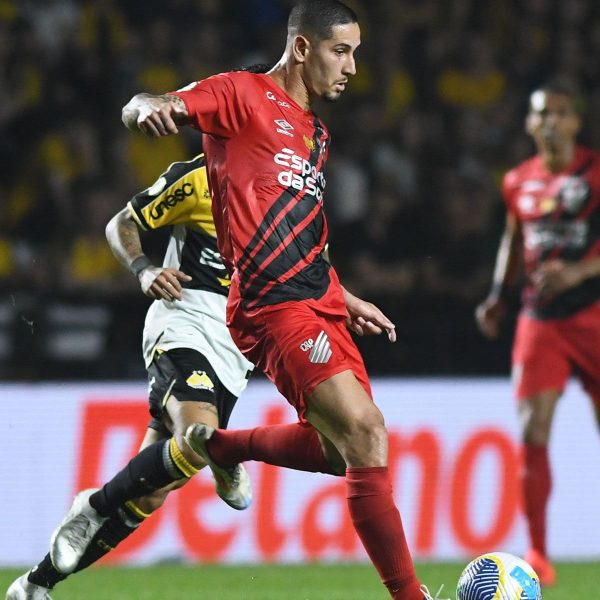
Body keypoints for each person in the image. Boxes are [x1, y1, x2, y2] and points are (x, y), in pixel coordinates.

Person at [49, 2, 446, 599]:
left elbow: (303, 232)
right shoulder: (242, 94)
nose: (354, 68)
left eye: (357, 53)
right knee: (366, 433)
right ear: (305, 48)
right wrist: (151, 110)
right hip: (270, 304)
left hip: (319, 301)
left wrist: (344, 294)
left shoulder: (315, 134)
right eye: (343, 51)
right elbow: (147, 104)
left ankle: (224, 446)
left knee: (346, 455)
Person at [6, 150, 257, 600]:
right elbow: (122, 223)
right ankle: (105, 500)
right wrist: (145, 269)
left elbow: (311, 272)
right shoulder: (199, 178)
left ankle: (36, 584)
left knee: (149, 495)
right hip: (186, 321)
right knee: (200, 435)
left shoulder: (294, 192)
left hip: (236, 350)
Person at [475, 81, 600, 587]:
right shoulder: (517, 180)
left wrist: (580, 271)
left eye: (561, 114)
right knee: (531, 432)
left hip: (594, 313)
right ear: (530, 123)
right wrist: (497, 296)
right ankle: (539, 553)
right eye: (542, 113)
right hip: (540, 319)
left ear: (575, 123)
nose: (551, 122)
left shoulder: (595, 173)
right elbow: (513, 238)